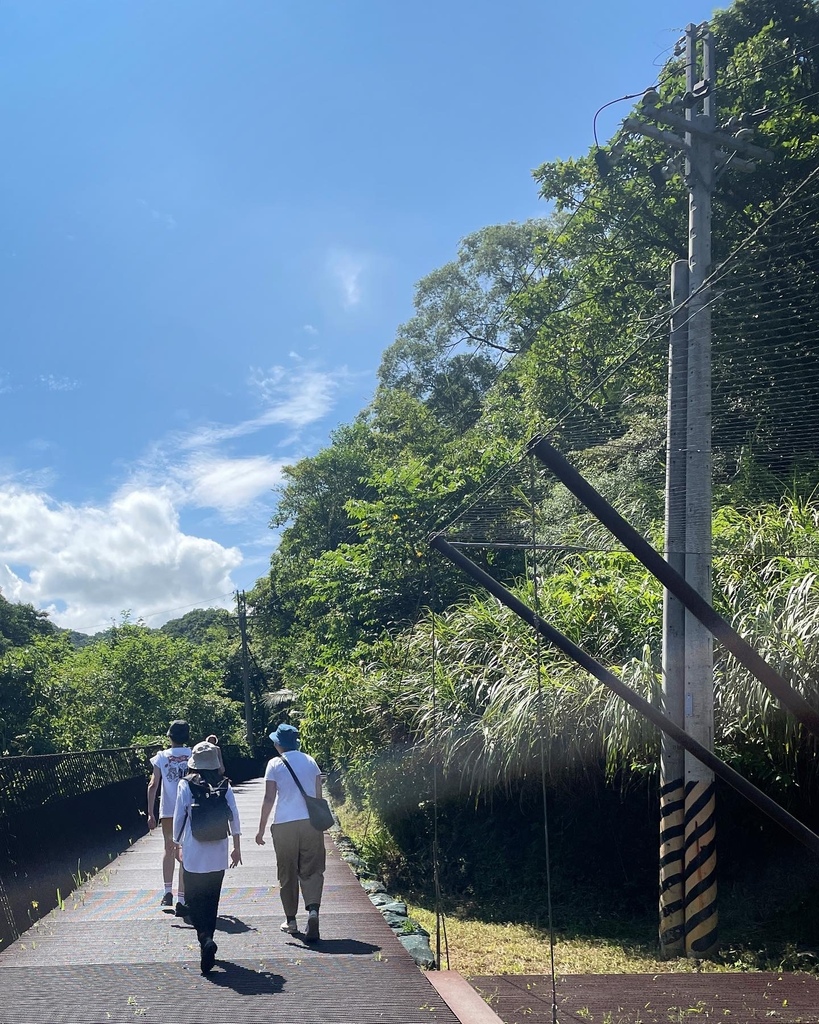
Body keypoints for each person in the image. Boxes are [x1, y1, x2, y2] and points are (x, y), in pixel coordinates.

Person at [173, 740, 242, 974]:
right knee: (212, 899)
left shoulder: (186, 784)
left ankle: (204, 939)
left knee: (193, 899)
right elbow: (234, 816)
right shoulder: (225, 785)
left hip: (194, 851)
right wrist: (237, 846)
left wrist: (176, 843)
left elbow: (179, 817)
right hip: (219, 851)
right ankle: (209, 936)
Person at [255, 723, 325, 941]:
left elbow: (269, 798)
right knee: (312, 869)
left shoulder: (274, 764)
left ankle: (291, 920)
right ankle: (312, 910)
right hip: (310, 823)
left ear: (278, 744)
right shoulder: (310, 761)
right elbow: (318, 795)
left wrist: (261, 829)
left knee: (287, 872)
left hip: (284, 824)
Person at [147, 720, 192, 914]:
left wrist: (150, 813)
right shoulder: (193, 754)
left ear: (169, 736)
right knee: (185, 852)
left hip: (168, 811)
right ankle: (182, 900)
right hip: (190, 809)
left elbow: (153, 785)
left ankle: (167, 892)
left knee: (169, 848)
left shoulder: (161, 757)